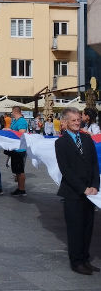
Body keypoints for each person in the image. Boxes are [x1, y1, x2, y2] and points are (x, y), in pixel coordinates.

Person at [54, 108, 100, 275]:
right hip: (73, 193)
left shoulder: (87, 139)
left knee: (88, 227)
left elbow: (95, 165)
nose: (77, 122)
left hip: (91, 193)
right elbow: (65, 170)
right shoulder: (61, 143)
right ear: (65, 122)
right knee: (75, 228)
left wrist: (95, 185)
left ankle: (85, 259)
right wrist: (83, 188)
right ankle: (76, 262)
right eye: (73, 120)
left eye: (78, 119)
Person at [8, 106, 29, 196]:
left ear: (14, 112)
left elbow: (22, 133)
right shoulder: (15, 121)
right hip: (14, 148)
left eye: (12, 112)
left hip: (20, 149)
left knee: (20, 170)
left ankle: (22, 189)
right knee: (16, 170)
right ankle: (19, 188)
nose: (11, 113)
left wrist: (10, 131)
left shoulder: (21, 121)